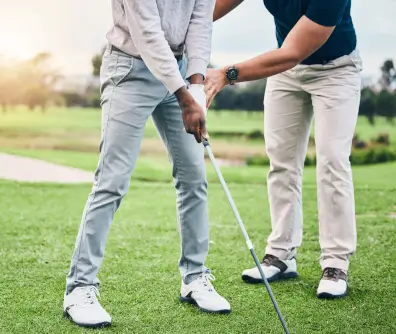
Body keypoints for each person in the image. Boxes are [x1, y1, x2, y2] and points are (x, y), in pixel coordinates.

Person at [63, 0, 231, 328]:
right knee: (112, 180)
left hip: (180, 73)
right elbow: (148, 34)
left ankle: (195, 277)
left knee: (194, 177)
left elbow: (200, 23)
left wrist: (195, 87)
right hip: (131, 69)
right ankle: (79, 288)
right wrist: (186, 97)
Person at [205, 0, 362, 299]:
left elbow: (292, 53)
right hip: (287, 72)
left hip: (336, 69)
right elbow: (209, 8)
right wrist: (176, 30)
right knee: (281, 160)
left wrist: (227, 73)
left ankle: (335, 263)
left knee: (332, 162)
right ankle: (281, 254)